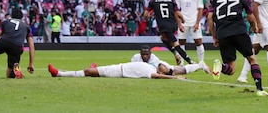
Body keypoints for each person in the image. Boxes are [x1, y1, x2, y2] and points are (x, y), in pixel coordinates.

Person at [207, 0, 268, 97]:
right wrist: (254, 28)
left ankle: (220, 67)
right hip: (239, 30)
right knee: (252, 59)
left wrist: (214, 36)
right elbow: (251, 16)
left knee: (231, 69)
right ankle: (259, 89)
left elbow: (209, 17)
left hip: (223, 32)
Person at [144, 0, 195, 65]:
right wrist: (182, 22)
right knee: (163, 39)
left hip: (164, 26)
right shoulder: (171, 0)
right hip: (173, 25)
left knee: (175, 44)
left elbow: (146, 14)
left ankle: (189, 61)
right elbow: (178, 14)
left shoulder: (153, 0)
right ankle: (176, 54)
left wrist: (147, 19)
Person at [175, 0, 205, 65]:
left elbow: (200, 10)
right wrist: (179, 24)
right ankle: (181, 64)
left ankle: (201, 62)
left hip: (194, 22)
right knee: (181, 42)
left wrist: (197, 23)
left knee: (198, 41)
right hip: (183, 23)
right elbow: (176, 11)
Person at [48, 62, 186, 79]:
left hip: (118, 71)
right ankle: (93, 69)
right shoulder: (152, 66)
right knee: (91, 71)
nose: (165, 66)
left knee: (86, 71)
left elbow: (157, 77)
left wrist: (175, 77)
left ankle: (58, 73)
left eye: (166, 68)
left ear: (161, 72)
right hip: (118, 67)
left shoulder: (152, 73)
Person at [131, 45, 211, 75]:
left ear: (150, 53)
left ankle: (200, 65)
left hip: (163, 66)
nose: (145, 56)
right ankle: (200, 65)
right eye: (143, 54)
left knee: (182, 71)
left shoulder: (154, 59)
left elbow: (158, 71)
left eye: (147, 54)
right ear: (140, 53)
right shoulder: (135, 58)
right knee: (179, 69)